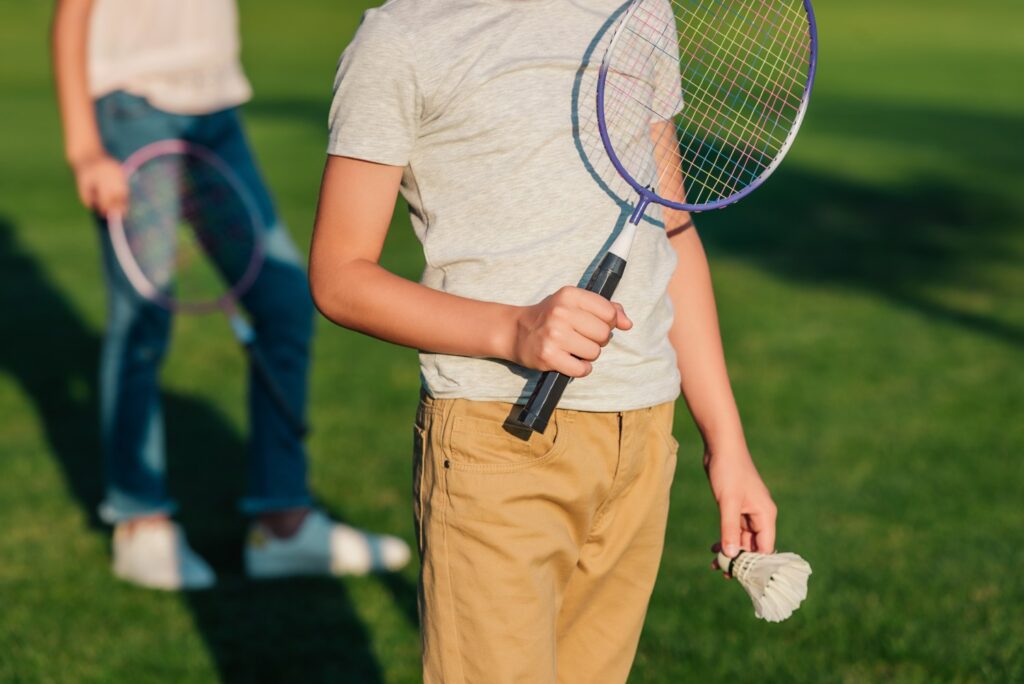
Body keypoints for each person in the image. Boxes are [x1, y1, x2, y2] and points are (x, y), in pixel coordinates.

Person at [311, 0, 778, 681]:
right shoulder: (404, 36)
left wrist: (727, 444)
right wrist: (513, 328)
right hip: (497, 439)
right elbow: (338, 276)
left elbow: (672, 233)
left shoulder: (642, 11)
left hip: (642, 440)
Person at [51, 0, 410, 591]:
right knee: (143, 317)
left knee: (285, 300)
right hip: (130, 107)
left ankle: (283, 523)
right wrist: (83, 146)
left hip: (215, 109)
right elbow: (73, 12)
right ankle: (140, 521)